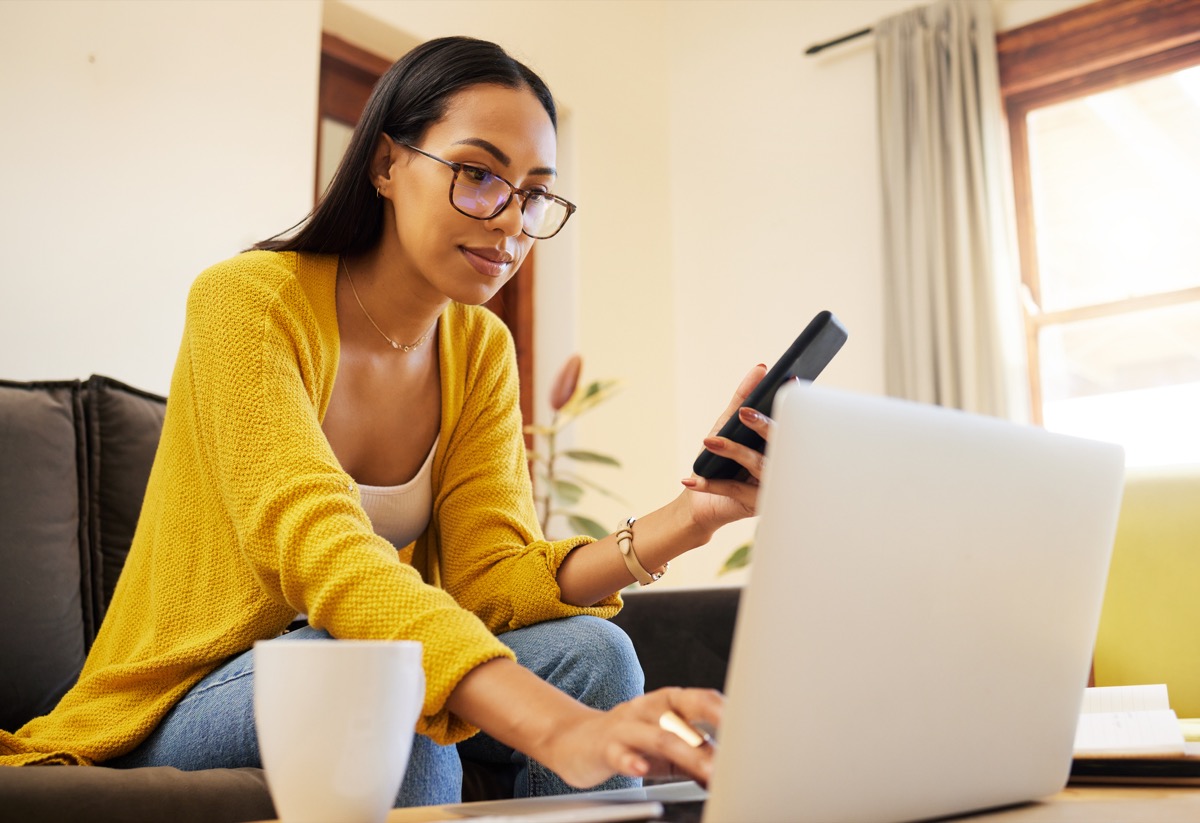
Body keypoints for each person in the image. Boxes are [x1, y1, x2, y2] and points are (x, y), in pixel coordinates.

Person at [0, 36, 772, 805]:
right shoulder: (246, 302)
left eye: (534, 193)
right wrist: (557, 728)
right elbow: (325, 551)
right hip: (188, 694)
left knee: (596, 652)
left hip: (355, 653)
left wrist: (691, 518)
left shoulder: (478, 348)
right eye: (478, 176)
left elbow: (489, 577)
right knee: (380, 685)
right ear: (385, 164)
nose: (509, 222)